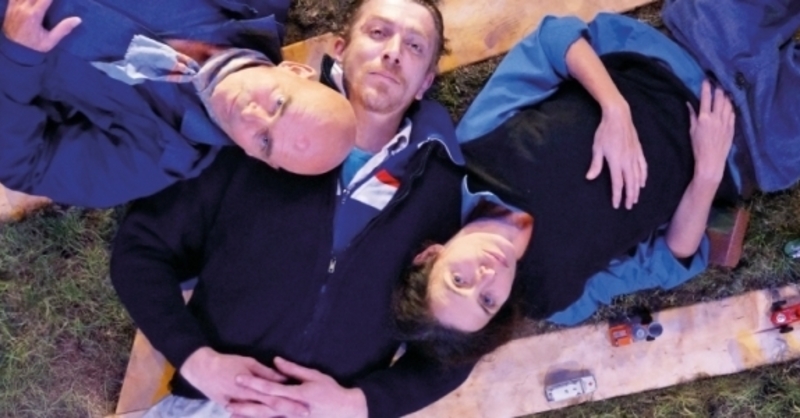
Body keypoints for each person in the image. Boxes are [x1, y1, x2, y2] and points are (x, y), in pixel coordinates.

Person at [110, 0, 473, 417]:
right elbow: (140, 250)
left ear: (425, 81)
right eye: (378, 33)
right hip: (212, 405)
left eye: (414, 46)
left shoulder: (444, 188)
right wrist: (196, 360)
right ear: (340, 49)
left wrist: (361, 403)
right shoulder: (257, 132)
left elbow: (459, 342)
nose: (393, 52)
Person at [393, 0, 800, 365]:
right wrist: (707, 173)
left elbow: (552, 43)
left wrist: (614, 109)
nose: (486, 276)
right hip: (751, 147)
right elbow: (669, 261)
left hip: (689, 46)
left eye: (458, 280)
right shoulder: (556, 298)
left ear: (430, 255)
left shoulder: (473, 155)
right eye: (486, 301)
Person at [0, 0, 356, 208]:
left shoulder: (153, 159)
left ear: (255, 156)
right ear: (294, 70)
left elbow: (25, 166)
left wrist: (19, 56)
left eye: (264, 140)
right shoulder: (251, 5)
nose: (250, 115)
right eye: (278, 103)